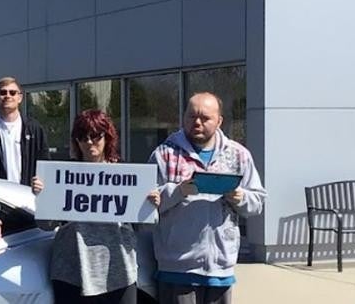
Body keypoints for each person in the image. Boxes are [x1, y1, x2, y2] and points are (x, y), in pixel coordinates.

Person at [145, 92, 265, 304]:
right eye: (191, 116)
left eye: (205, 118)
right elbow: (147, 205)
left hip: (220, 269)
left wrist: (239, 197)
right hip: (176, 267)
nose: (197, 123)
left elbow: (257, 203)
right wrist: (179, 190)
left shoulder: (238, 155)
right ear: (183, 118)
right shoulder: (164, 154)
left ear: (219, 121)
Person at [31, 109, 138, 304]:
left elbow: (144, 222)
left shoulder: (126, 173)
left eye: (95, 135)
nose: (89, 142)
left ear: (107, 136)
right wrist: (42, 198)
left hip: (119, 269)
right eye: (82, 137)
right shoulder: (62, 175)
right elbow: (45, 225)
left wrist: (151, 204)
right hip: (72, 271)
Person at [0, 76, 49, 184]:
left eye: (12, 92)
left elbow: (45, 162)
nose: (7, 96)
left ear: (20, 97)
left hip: (28, 194)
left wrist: (41, 182)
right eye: (3, 92)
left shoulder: (34, 129)